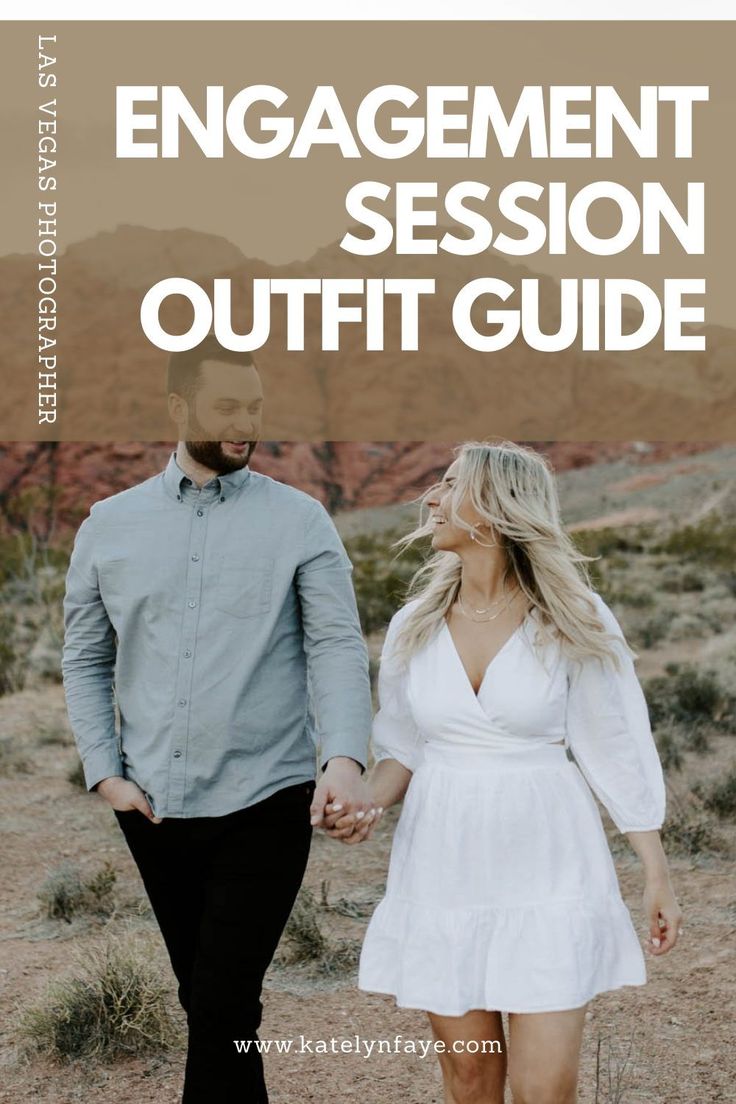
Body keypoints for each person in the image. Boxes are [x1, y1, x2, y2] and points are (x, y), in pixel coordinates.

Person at [61, 335, 376, 1104]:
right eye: (227, 406)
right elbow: (84, 657)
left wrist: (343, 757)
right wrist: (104, 770)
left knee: (222, 1001)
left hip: (265, 799)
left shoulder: (300, 521)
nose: (246, 422)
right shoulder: (108, 524)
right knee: (208, 1003)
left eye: (256, 407)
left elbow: (336, 645)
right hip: (154, 808)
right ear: (179, 407)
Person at [326, 440, 682, 1104]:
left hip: (548, 863)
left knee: (545, 1092)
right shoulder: (414, 627)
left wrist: (655, 871)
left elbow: (616, 746)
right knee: (471, 1080)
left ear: (493, 508)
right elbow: (402, 750)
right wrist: (360, 806)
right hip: (443, 866)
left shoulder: (571, 617)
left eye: (449, 484)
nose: (430, 497)